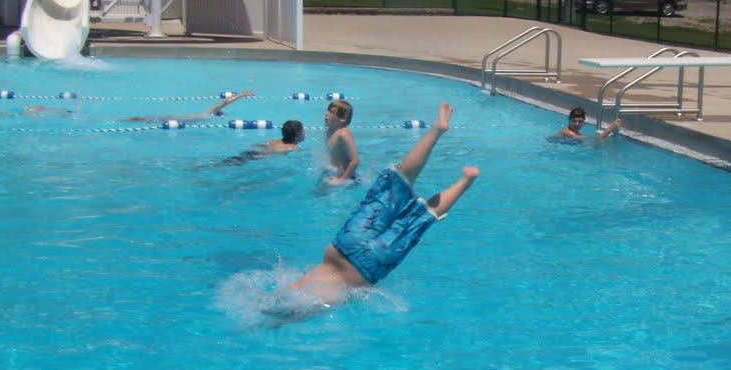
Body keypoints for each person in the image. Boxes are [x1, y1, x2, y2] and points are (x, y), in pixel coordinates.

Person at [285, 102, 477, 310]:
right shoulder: (294, 287)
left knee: (423, 217)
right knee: (400, 176)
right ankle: (436, 131)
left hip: (368, 268)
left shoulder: (296, 296)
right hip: (344, 245)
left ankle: (465, 181)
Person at [121, 90, 255, 123]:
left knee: (150, 119)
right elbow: (225, 102)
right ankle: (130, 119)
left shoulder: (206, 115)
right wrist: (242, 94)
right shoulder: (209, 113)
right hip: (178, 119)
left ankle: (131, 119)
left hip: (180, 118)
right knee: (148, 120)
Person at [219, 119, 305, 164]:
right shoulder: (294, 148)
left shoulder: (273, 141)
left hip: (249, 153)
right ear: (299, 134)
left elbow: (255, 144)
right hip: (257, 157)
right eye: (303, 130)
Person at [321, 98, 360, 185]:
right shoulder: (329, 131)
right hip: (334, 174)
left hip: (348, 178)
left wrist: (340, 180)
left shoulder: (343, 134)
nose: (326, 114)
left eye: (331, 112)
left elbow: (355, 161)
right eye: (327, 111)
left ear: (342, 118)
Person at [555, 107, 620, 142]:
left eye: (580, 121)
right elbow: (596, 138)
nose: (577, 124)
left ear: (584, 122)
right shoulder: (568, 132)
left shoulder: (576, 132)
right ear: (569, 120)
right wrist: (610, 128)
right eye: (574, 121)